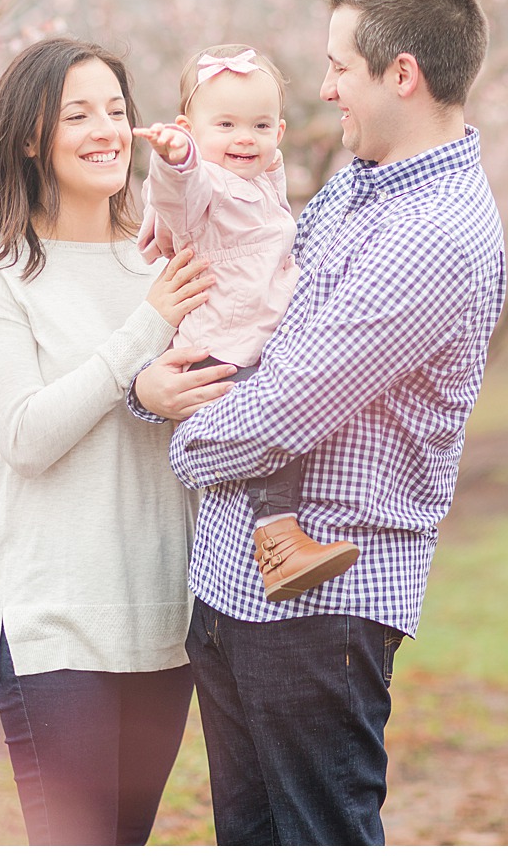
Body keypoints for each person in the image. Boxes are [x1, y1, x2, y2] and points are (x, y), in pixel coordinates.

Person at [130, 0, 508, 845]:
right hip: (235, 585)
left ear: (401, 74)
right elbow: (261, 300)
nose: (328, 88)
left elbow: (281, 411)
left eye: (341, 66)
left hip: (317, 607)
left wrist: (166, 421)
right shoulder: (357, 186)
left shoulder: (433, 234)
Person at [0, 37, 216, 845]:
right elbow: (27, 434)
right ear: (31, 136)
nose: (105, 129)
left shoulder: (157, 262)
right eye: (77, 113)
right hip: (56, 624)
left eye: (115, 109)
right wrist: (143, 345)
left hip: (163, 621)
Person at [133, 43, 361, 602]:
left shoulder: (263, 178)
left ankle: (276, 540)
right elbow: (179, 192)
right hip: (224, 345)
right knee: (273, 429)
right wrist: (176, 156)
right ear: (191, 128)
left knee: (284, 427)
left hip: (258, 336)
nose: (245, 138)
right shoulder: (203, 185)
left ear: (280, 131)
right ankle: (278, 542)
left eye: (260, 125)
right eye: (226, 124)